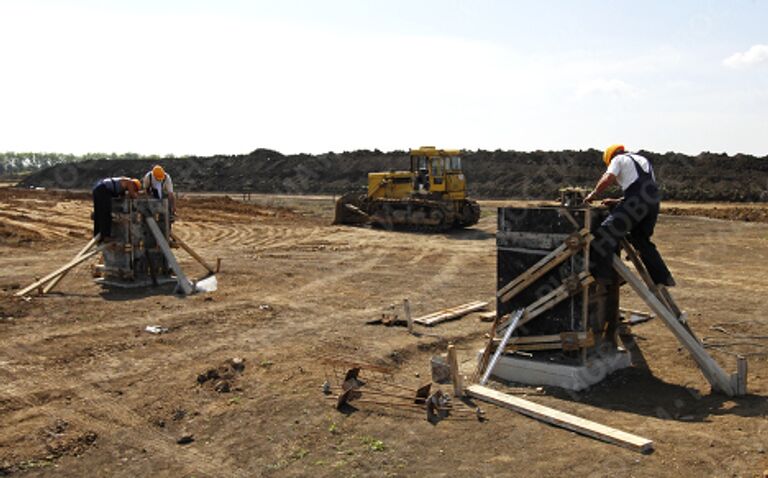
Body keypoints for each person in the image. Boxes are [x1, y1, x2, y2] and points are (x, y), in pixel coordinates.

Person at [584, 144, 675, 287]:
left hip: (635, 202)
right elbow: (644, 189)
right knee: (641, 240)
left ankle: (607, 277)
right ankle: (663, 278)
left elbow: (608, 178)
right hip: (653, 203)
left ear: (610, 158)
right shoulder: (643, 160)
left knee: (604, 234)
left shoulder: (618, 159)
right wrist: (617, 201)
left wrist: (593, 195)